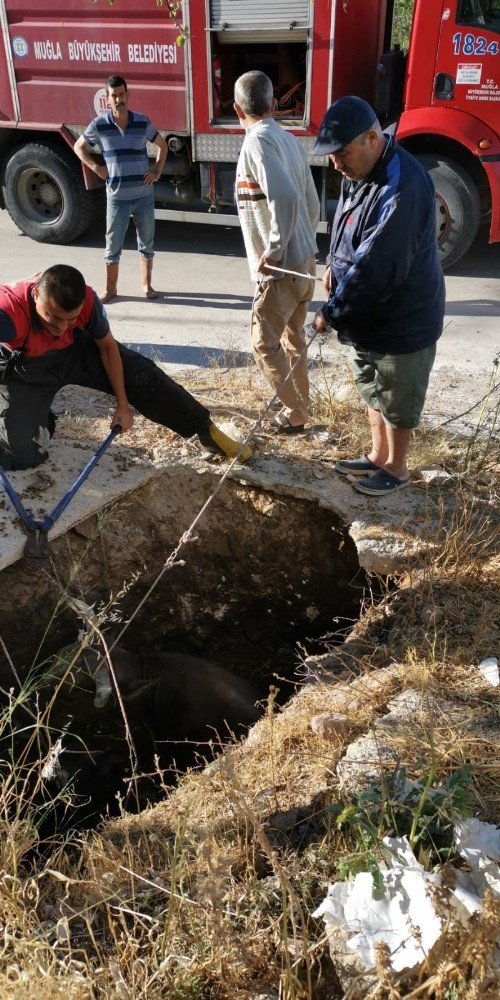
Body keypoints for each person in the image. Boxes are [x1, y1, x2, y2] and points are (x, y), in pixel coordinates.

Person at [312, 96, 445, 496]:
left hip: (401, 315)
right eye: (332, 157)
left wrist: (332, 313)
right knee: (371, 385)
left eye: (342, 154)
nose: (337, 164)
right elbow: (349, 226)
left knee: (396, 394)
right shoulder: (360, 170)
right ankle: (376, 455)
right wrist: (334, 265)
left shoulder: (401, 186)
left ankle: (397, 468)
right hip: (367, 313)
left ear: (372, 138)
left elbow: (377, 265)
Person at [0, 265, 252, 471]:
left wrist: (123, 405)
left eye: (71, 319)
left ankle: (205, 429)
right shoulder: (8, 311)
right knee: (23, 455)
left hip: (73, 352)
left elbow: (108, 348)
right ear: (35, 296)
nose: (62, 328)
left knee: (141, 374)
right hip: (27, 367)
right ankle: (36, 418)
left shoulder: (87, 301)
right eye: (53, 318)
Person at [233, 70, 320, 433]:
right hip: (305, 262)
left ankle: (297, 412)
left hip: (282, 269)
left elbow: (284, 196)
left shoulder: (256, 141)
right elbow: (312, 203)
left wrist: (274, 250)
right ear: (272, 104)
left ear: (238, 110)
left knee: (263, 344)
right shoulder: (287, 138)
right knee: (292, 338)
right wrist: (301, 242)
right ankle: (302, 408)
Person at [74, 75, 167, 303]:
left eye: (122, 95)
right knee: (112, 246)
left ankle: (147, 286)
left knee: (147, 243)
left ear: (128, 95)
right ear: (107, 99)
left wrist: (156, 172)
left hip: (143, 196)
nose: (118, 99)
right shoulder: (99, 125)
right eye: (114, 96)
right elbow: (79, 147)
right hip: (116, 198)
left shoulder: (142, 121)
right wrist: (96, 167)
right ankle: (111, 289)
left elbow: (162, 145)